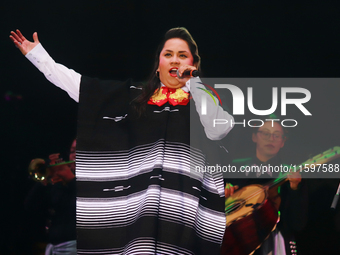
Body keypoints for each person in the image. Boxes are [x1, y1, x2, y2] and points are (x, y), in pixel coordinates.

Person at [11, 28, 234, 254]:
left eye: (182, 55)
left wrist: (193, 83)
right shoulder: (134, 98)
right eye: (168, 54)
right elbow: (79, 86)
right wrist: (39, 57)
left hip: (183, 217)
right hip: (139, 222)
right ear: (158, 65)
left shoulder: (204, 101)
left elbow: (218, 129)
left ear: (193, 63)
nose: (175, 59)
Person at [223, 118, 308, 255]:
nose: (271, 139)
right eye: (265, 133)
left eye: (276, 135)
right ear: (254, 136)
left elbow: (298, 224)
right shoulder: (234, 169)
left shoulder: (291, 175)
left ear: (283, 141)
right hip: (237, 242)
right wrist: (224, 196)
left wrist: (294, 189)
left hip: (274, 244)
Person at [25, 139, 77, 255]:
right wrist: (45, 178)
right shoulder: (59, 182)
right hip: (53, 247)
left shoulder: (93, 179)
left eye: (79, 151)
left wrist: (70, 179)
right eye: (72, 151)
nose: (74, 155)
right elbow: (30, 206)